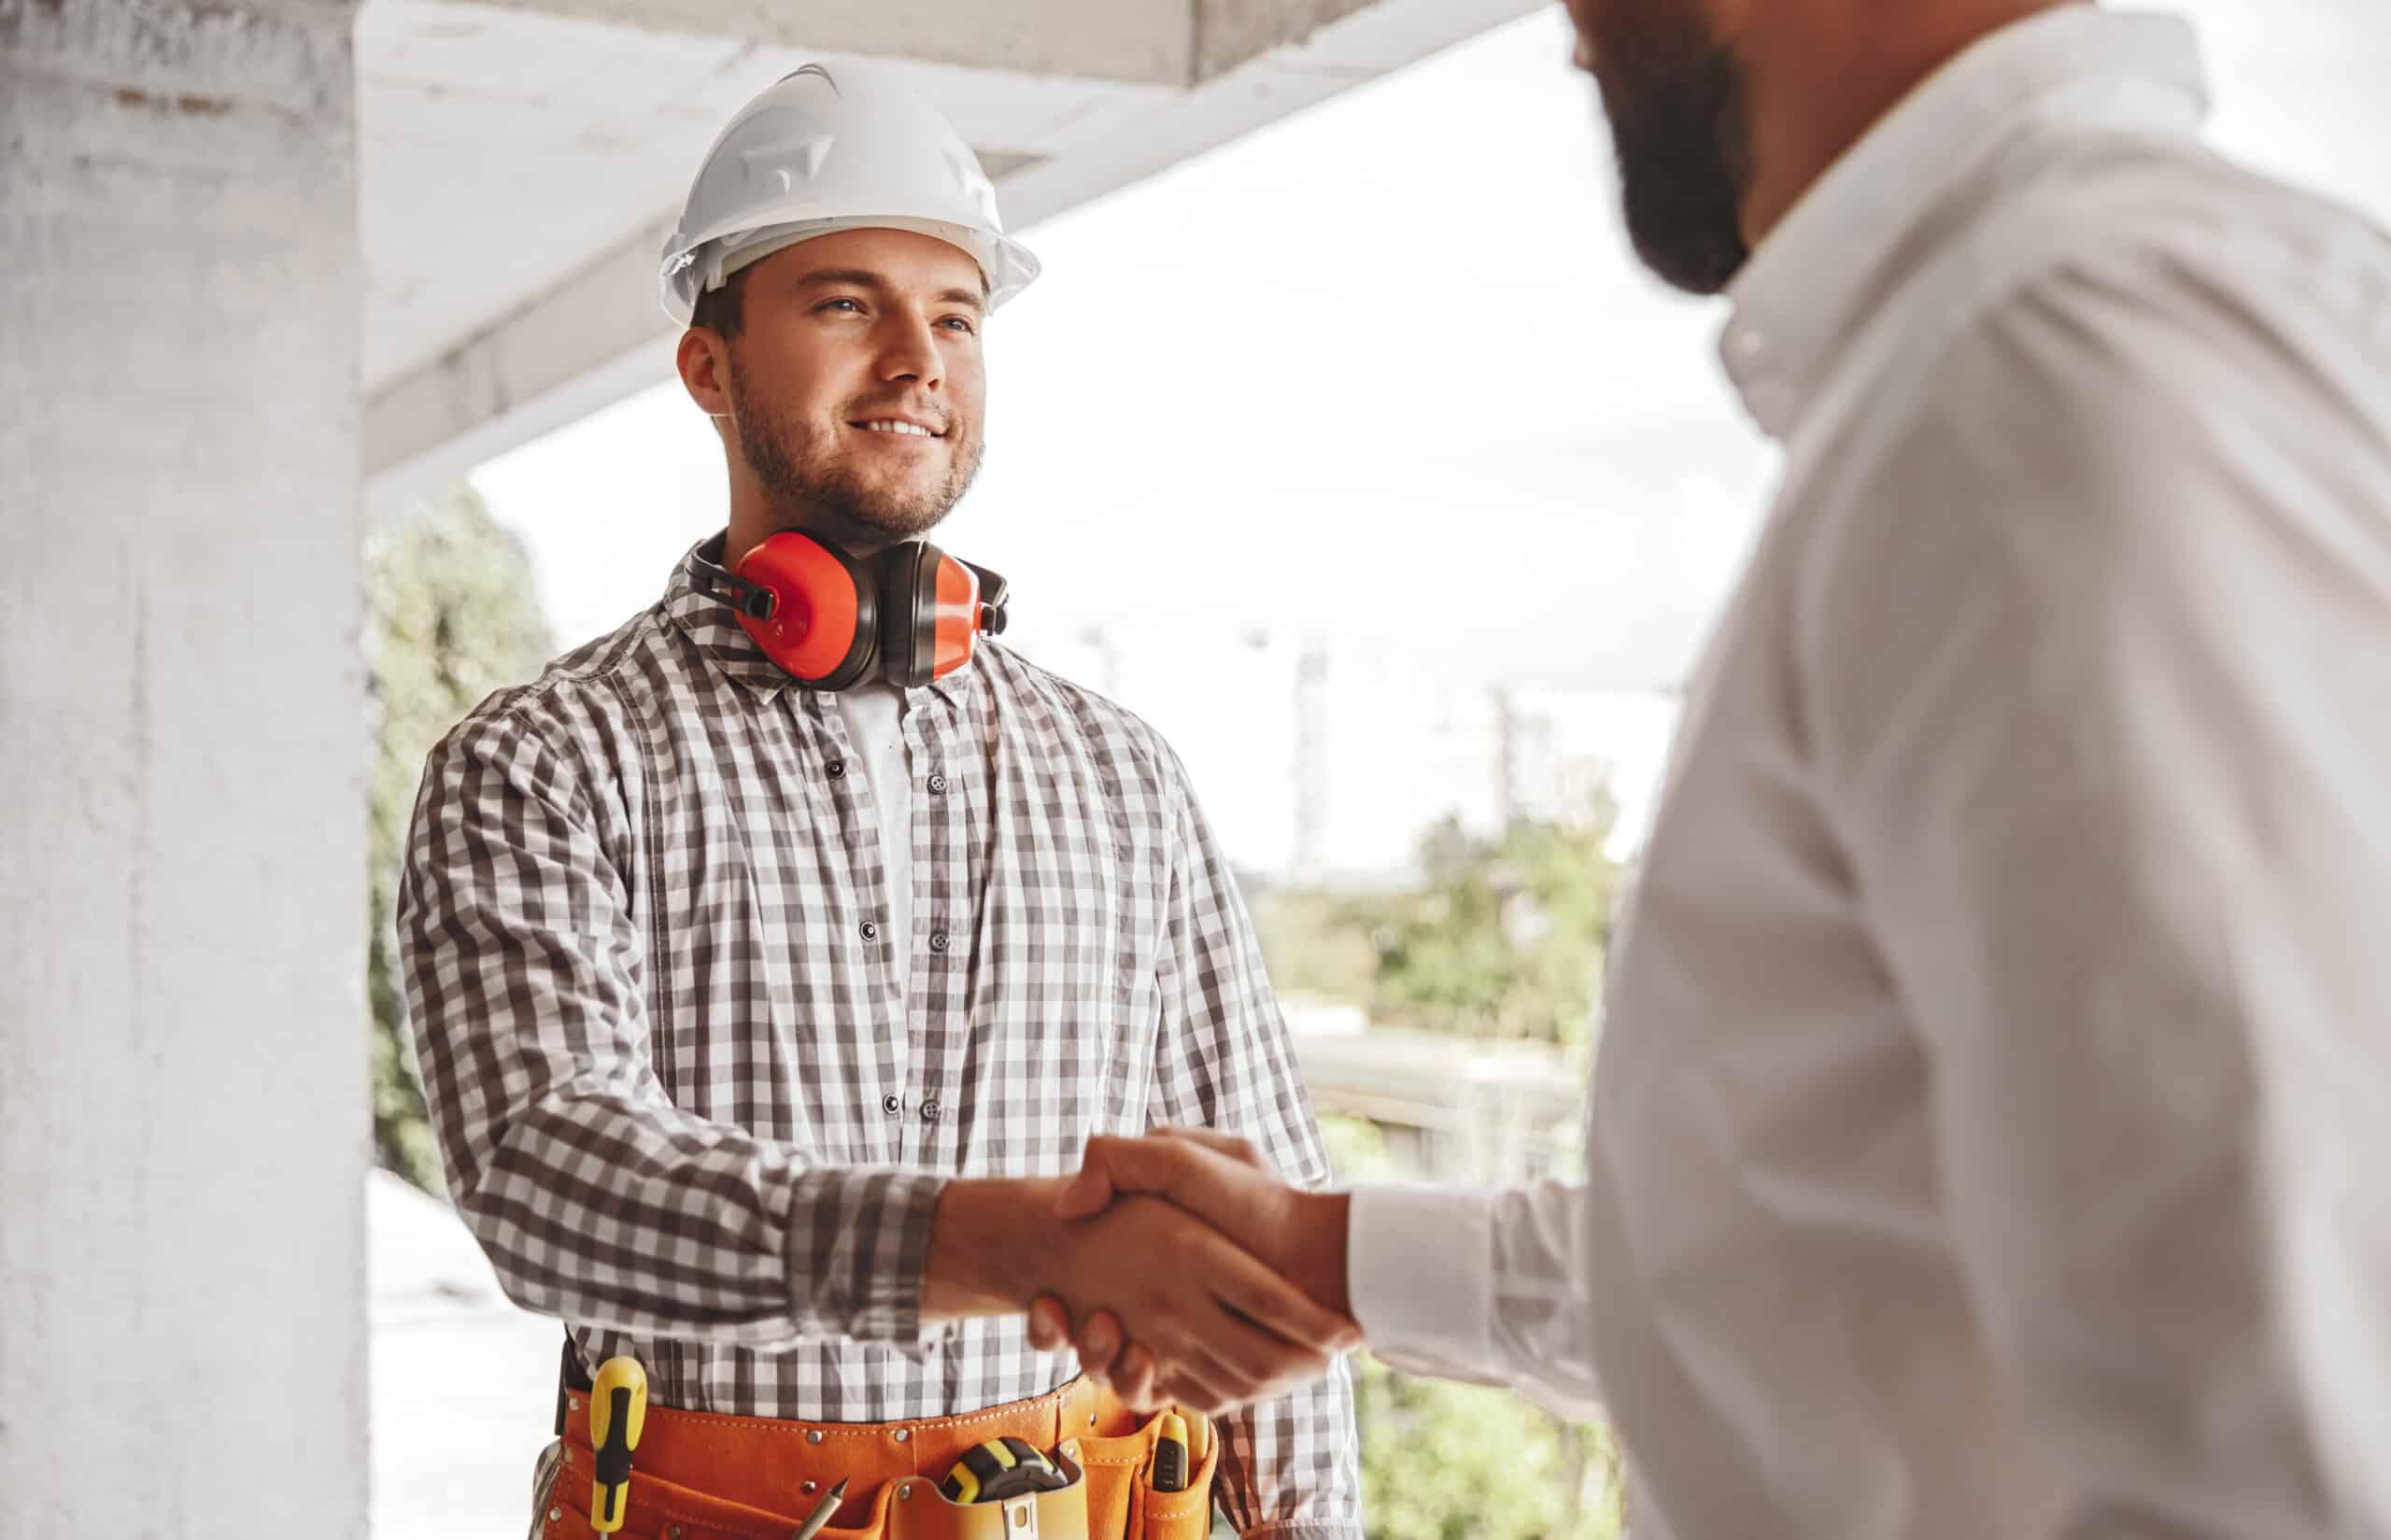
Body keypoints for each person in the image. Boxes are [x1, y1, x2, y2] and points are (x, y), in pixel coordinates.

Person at [1030, 1, 2391, 1534]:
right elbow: (1842, 1246)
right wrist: (1331, 1257)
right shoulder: (2007, 366)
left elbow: (2294, 1433)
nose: (1573, 41)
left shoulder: (2062, 369)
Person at [397, 61, 1362, 1540]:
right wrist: (1002, 1239)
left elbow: (1269, 1238)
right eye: (848, 302)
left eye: (958, 315)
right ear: (709, 365)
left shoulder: (1121, 777)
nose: (920, 356)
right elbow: (546, 1176)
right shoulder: (547, 761)